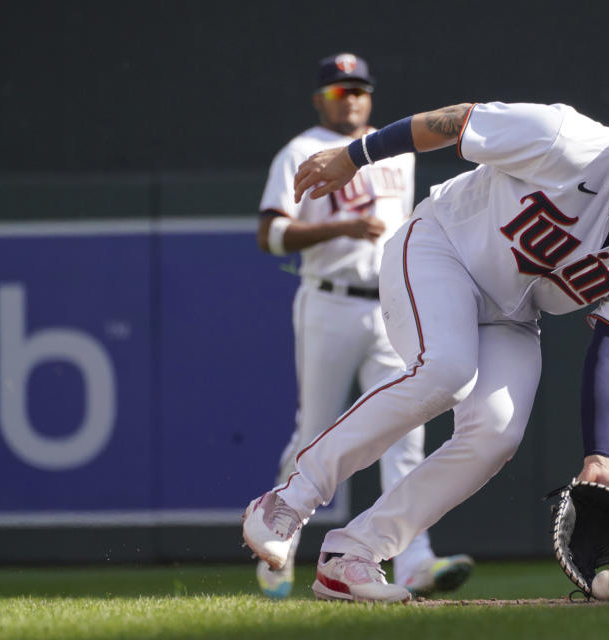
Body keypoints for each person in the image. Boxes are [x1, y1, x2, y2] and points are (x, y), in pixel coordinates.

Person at [244, 86, 609, 603]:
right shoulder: (568, 141)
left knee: (495, 436)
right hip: (441, 249)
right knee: (447, 371)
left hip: (512, 312)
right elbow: (456, 122)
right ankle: (288, 499)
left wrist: (600, 457)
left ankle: (353, 555)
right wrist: (355, 156)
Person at [253, 52, 474, 599]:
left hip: (392, 302)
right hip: (328, 301)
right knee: (316, 429)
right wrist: (341, 229)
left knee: (407, 431)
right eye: (337, 91)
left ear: (370, 96)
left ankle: (412, 560)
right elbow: (271, 235)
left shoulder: (393, 150)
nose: (349, 98)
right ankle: (277, 542)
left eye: (357, 89)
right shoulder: (299, 151)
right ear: (319, 99)